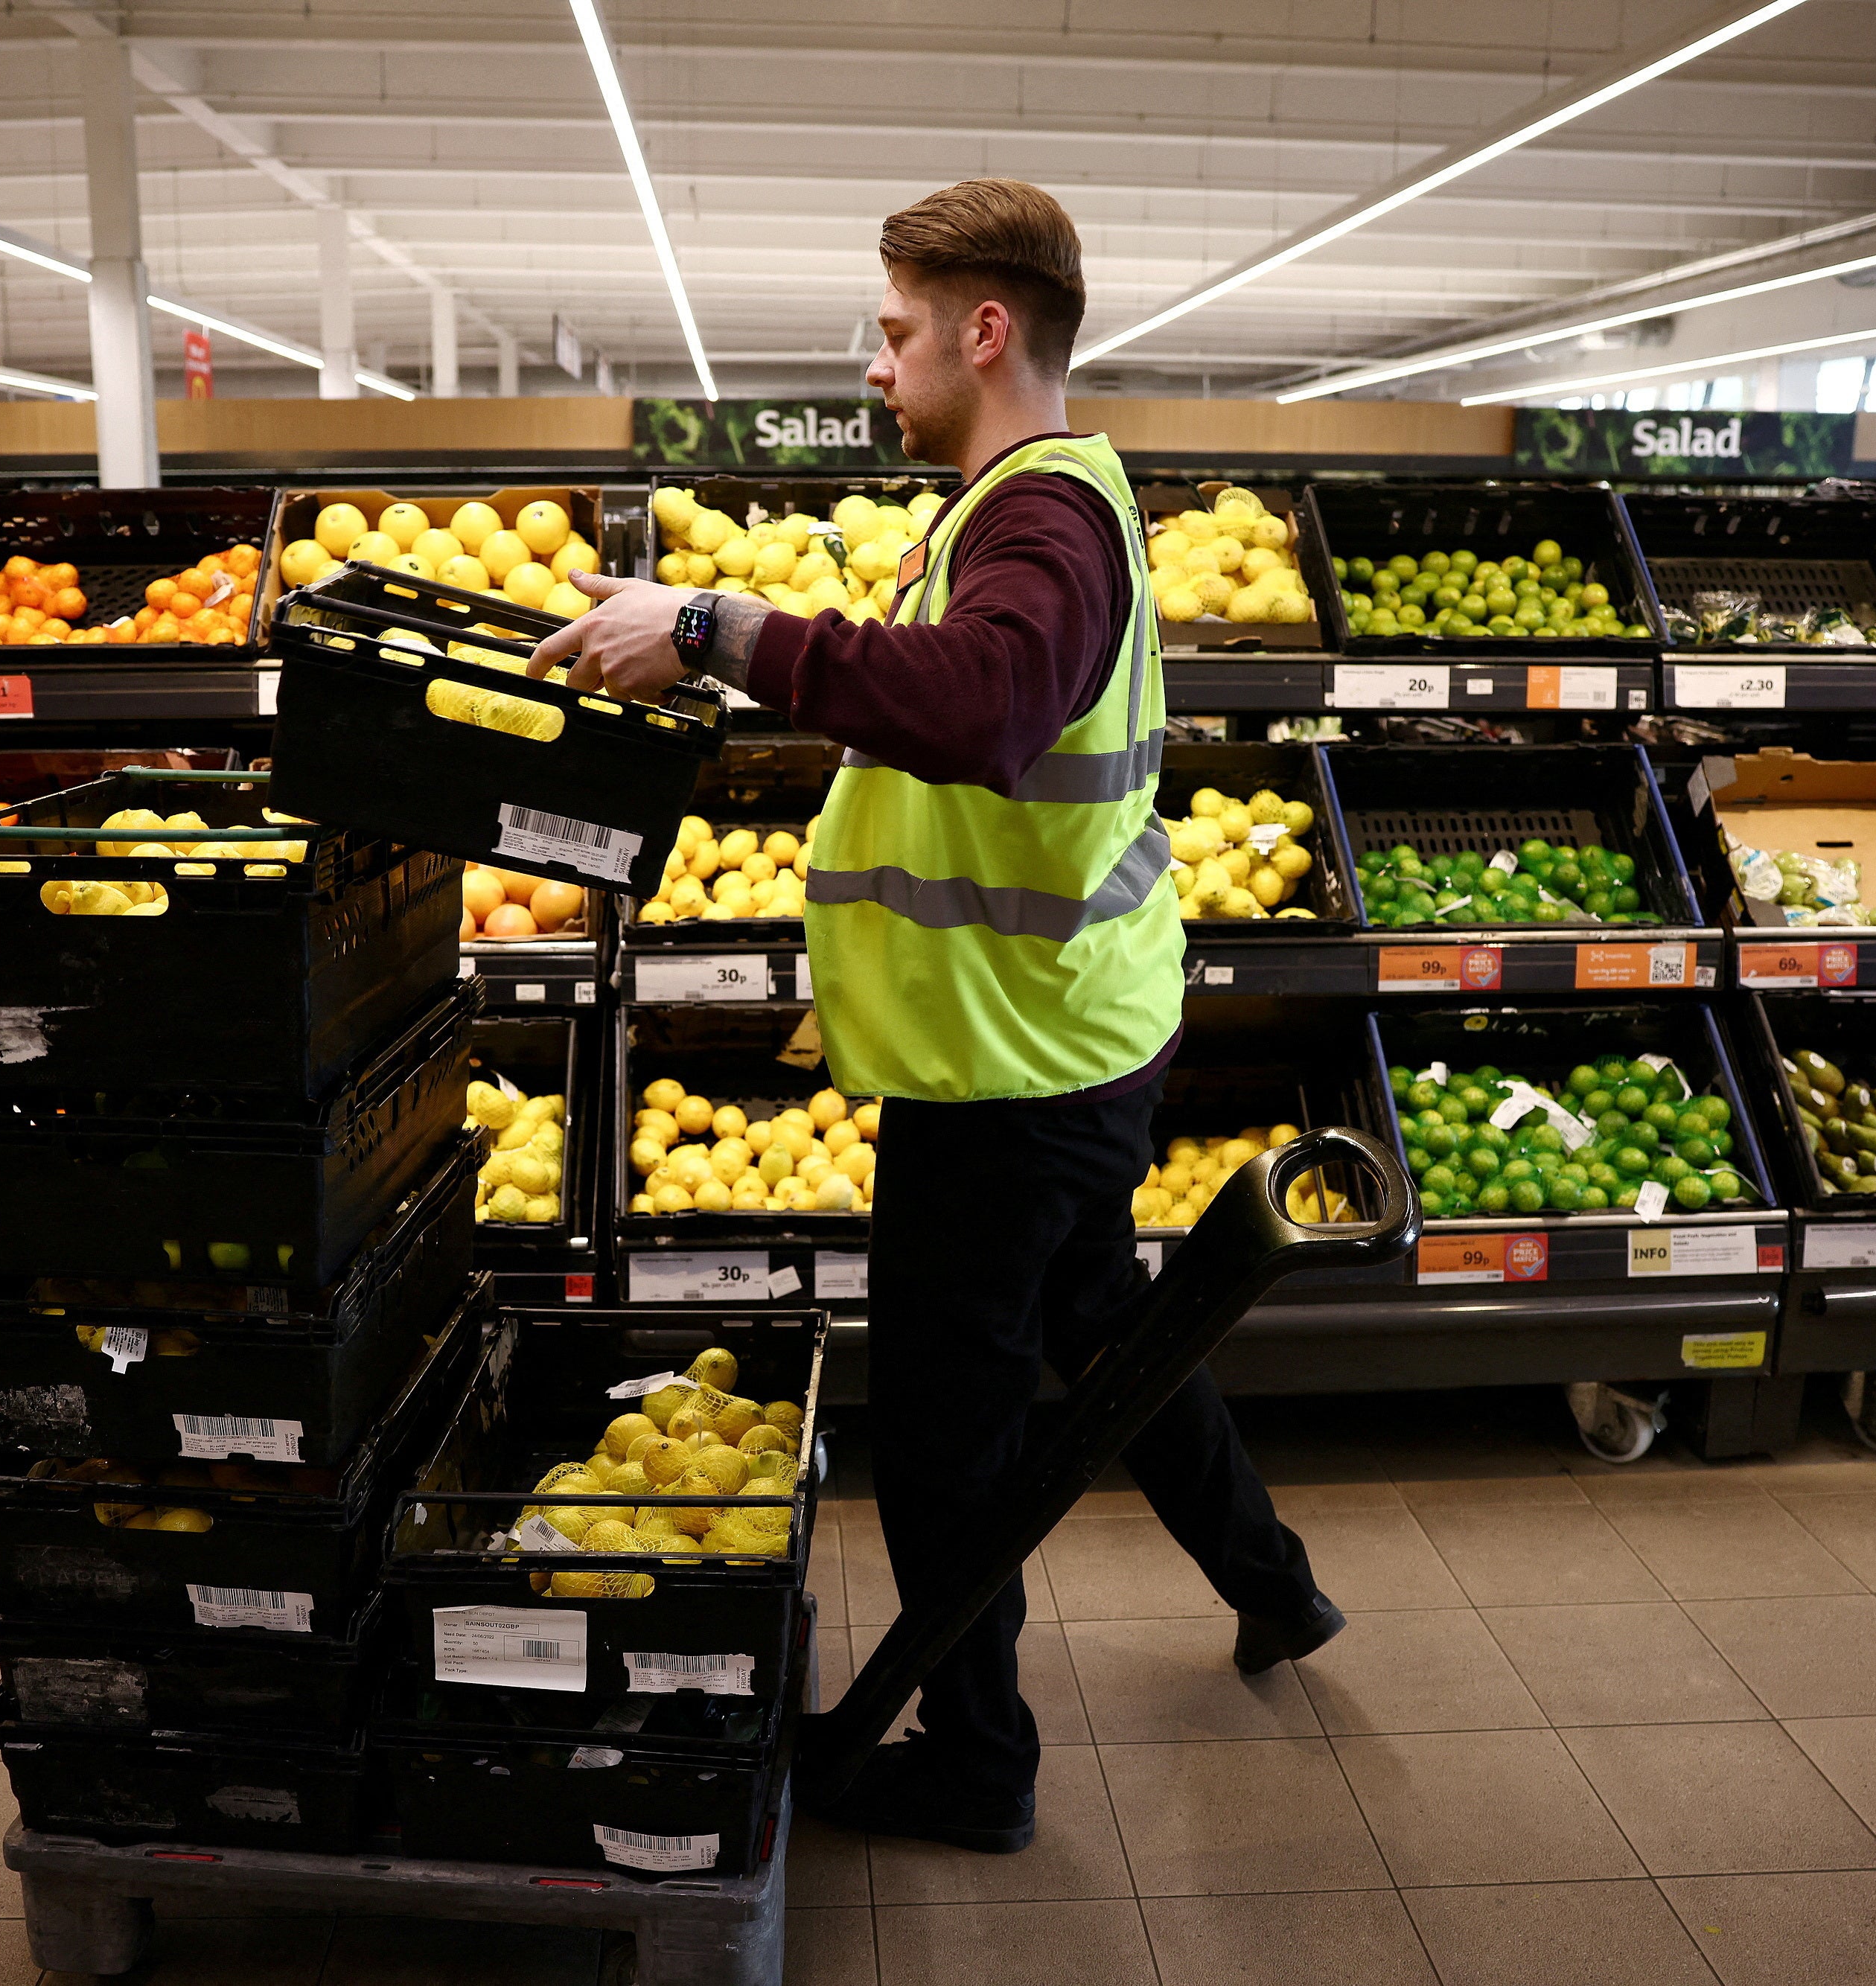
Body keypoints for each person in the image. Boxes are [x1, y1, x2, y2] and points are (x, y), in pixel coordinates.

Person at [529, 177, 1341, 1856]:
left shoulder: (1040, 519)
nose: (876, 361)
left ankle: (976, 1762)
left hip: (1010, 1061)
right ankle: (1274, 1584)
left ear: (985, 330)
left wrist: (710, 625)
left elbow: (978, 706)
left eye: (896, 330)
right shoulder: (1021, 503)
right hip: (1056, 1022)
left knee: (946, 1431)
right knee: (1104, 1324)